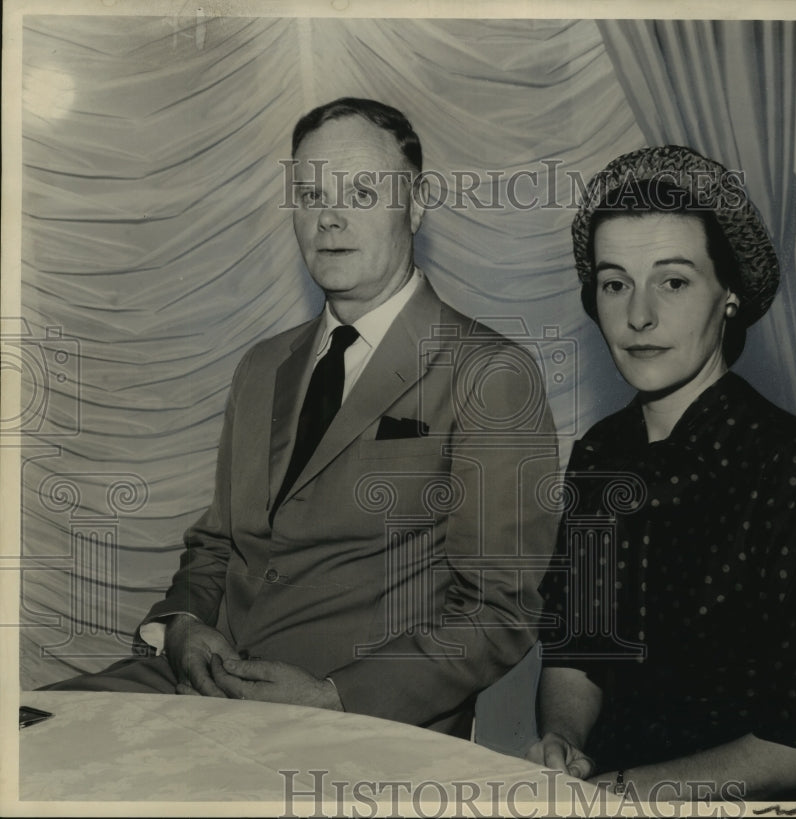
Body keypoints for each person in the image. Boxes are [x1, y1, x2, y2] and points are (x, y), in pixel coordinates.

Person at [44, 98, 561, 739]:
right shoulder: (262, 366)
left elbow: (499, 613)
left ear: (418, 203)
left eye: (363, 192)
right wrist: (178, 628)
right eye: (311, 193)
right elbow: (219, 546)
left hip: (357, 725)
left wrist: (335, 698)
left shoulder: (490, 373)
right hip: (191, 686)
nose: (331, 217)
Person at [527, 145, 796, 799]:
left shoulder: (795, 469)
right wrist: (563, 741)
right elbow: (579, 655)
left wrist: (619, 792)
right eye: (615, 282)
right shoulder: (601, 453)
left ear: (730, 293)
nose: (638, 314)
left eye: (673, 280)